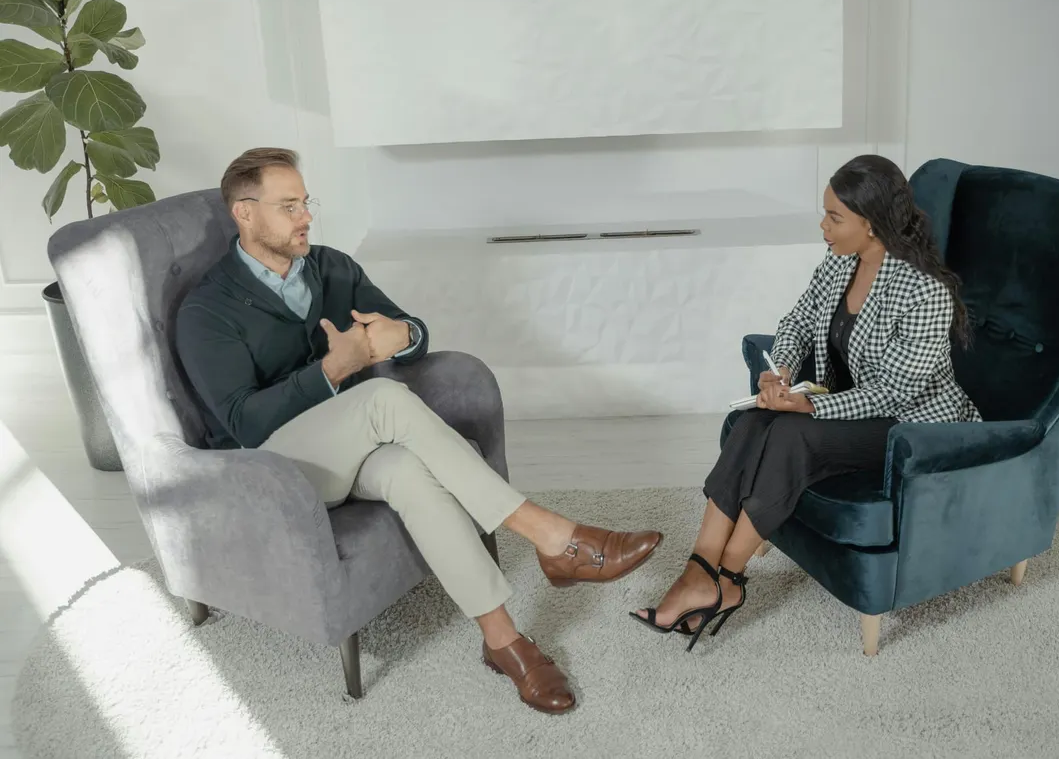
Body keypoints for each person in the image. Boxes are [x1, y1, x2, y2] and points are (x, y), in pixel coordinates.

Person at [175, 147, 663, 714]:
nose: (306, 216)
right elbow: (245, 424)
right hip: (270, 471)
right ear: (245, 213)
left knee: (408, 470)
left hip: (347, 451)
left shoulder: (331, 268)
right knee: (382, 397)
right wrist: (336, 367)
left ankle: (504, 642)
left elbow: (412, 329)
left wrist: (399, 335)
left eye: (306, 202)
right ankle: (553, 539)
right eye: (288, 206)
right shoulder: (207, 310)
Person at [631, 154, 981, 649]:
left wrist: (812, 407)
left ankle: (723, 579)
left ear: (873, 224)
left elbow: (897, 392)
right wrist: (780, 374)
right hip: (860, 407)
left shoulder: (926, 292)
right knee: (751, 420)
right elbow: (795, 322)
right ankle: (701, 572)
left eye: (835, 217)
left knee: (794, 434)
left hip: (914, 427)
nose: (823, 226)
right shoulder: (840, 263)